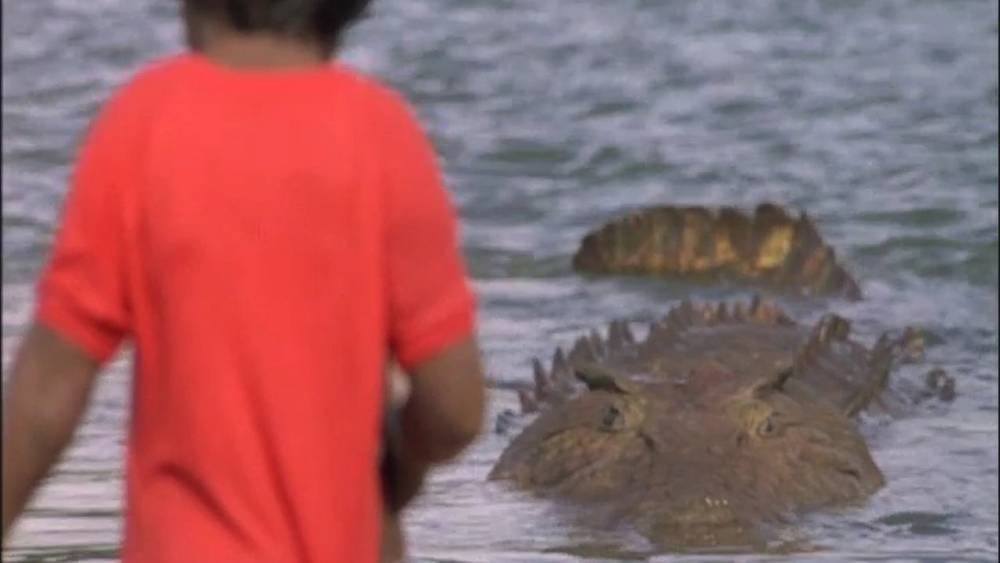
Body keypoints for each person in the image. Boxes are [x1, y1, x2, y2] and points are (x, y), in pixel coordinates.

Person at [1, 1, 487, 561]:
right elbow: (456, 409)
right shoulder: (382, 134)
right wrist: (400, 463)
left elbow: (49, 388)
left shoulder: (144, 123)